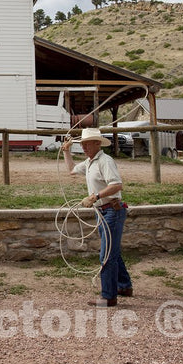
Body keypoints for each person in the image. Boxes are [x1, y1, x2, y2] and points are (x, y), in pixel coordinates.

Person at [62, 127, 133, 307]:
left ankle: (109, 296)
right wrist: (66, 151)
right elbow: (71, 170)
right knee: (112, 252)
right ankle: (124, 286)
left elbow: (117, 185)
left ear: (97, 143)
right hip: (104, 212)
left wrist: (95, 197)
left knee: (107, 255)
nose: (84, 147)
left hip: (112, 210)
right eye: (83, 144)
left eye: (87, 144)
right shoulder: (89, 162)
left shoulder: (104, 161)